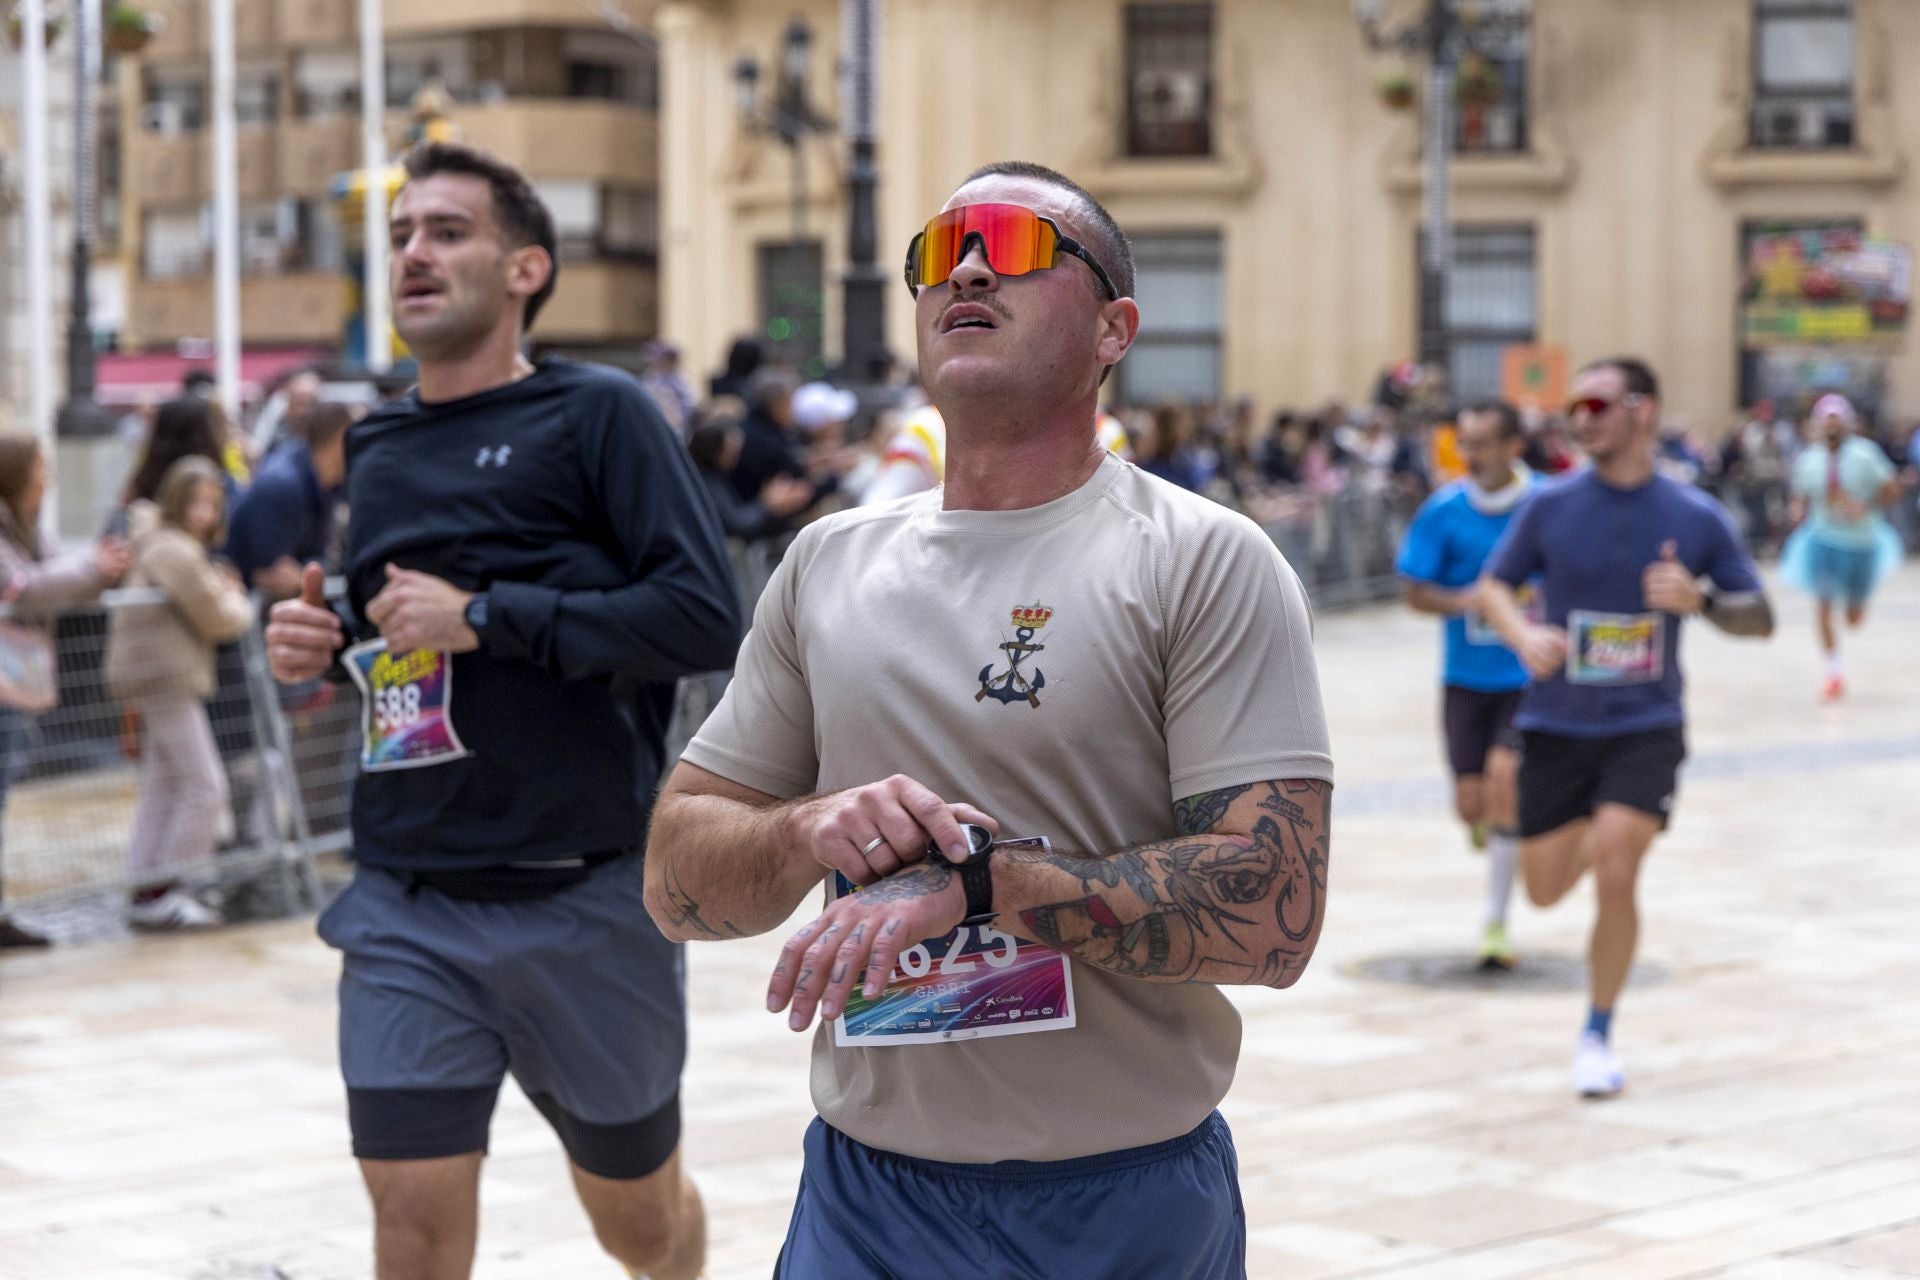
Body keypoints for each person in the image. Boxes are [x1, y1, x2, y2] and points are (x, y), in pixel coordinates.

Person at [646, 162, 1333, 1279]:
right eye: (940, 250)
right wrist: (803, 829)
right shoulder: (828, 562)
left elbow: (1276, 915)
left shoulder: (1203, 557)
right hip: (867, 1197)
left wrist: (982, 884)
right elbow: (675, 881)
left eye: (1016, 245)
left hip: (1123, 1199)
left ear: (1115, 328)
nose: (966, 266)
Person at [262, 140, 739, 1280]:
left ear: (527, 267)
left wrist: (490, 615)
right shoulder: (375, 439)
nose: (413, 252)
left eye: (447, 230)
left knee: (639, 1221)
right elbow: (396, 625)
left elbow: (702, 618)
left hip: (585, 895)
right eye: (401, 234)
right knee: (412, 1231)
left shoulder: (601, 414)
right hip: (407, 895)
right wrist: (320, 644)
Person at [1480, 357, 1772, 1099]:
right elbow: (1493, 588)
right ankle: (1586, 825)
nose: (1581, 417)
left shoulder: (1695, 515)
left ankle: (1597, 1034)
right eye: (1575, 406)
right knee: (1544, 890)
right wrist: (1521, 633)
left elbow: (1760, 617)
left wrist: (1700, 599)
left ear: (1643, 410)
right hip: (1555, 721)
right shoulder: (1550, 506)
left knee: (1617, 863)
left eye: (1598, 404)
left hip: (1647, 723)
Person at [1394, 399, 1536, 969]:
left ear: (1512, 447)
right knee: (1470, 803)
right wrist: (1465, 601)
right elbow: (1413, 590)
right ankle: (1496, 832)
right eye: (1465, 443)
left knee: (1506, 782)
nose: (1471, 455)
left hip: (1527, 676)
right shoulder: (1444, 511)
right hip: (1464, 678)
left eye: (1483, 443)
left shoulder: (1544, 505)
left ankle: (1495, 923)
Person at [105, 456, 254, 931]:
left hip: (161, 676)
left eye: (212, 504)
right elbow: (218, 616)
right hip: (165, 678)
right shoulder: (173, 548)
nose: (206, 514)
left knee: (165, 785)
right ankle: (166, 889)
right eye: (197, 503)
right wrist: (239, 602)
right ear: (177, 501)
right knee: (205, 786)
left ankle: (148, 887)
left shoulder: (165, 544)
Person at [0, 437, 130, 949]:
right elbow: (20, 586)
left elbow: (54, 576)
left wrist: (97, 568)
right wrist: (91, 569)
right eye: (41, 470)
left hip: (15, 684)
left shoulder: (27, 527)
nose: (48, 480)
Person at [1778, 394, 1904, 701]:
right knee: (1822, 605)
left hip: (1862, 541)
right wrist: (1796, 510)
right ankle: (1833, 672)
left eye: (1837, 422)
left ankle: (1857, 603)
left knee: (1852, 615)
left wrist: (1868, 505)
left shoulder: (1866, 454)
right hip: (1823, 539)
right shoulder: (1809, 460)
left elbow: (1892, 488)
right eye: (1826, 422)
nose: (1831, 429)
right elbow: (1800, 496)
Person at [227, 401, 352, 600]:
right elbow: (271, 574)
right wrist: (307, 573)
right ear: (340, 440)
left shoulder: (329, 481)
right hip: (253, 608)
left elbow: (315, 562)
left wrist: (304, 572)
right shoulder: (282, 483)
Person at [686, 415, 815, 541]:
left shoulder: (721, 475)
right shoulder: (707, 482)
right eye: (730, 452)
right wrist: (767, 504)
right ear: (714, 451)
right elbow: (737, 524)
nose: (735, 458)